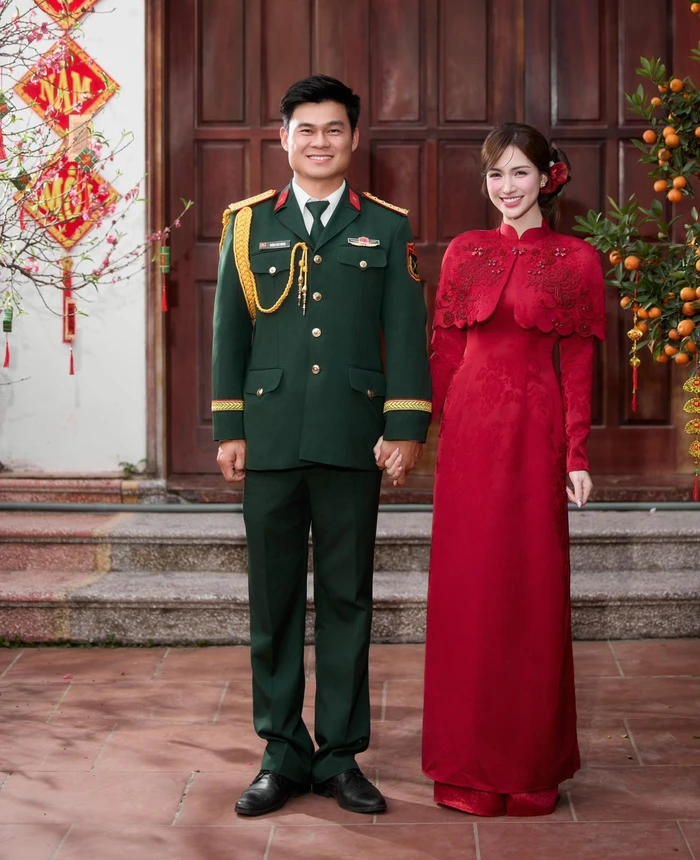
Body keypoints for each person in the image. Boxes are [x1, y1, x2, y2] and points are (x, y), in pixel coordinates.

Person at [212, 74, 432, 818]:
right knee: (272, 603)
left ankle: (338, 757)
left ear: (354, 138)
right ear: (284, 139)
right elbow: (229, 332)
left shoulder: (387, 227)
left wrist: (405, 427)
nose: (319, 141)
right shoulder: (247, 225)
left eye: (334, 129)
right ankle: (281, 753)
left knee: (346, 599)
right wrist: (230, 427)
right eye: (305, 129)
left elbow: (405, 333)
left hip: (352, 437)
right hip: (270, 437)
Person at [415, 122, 606, 818]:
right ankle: (464, 767)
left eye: (520, 172)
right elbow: (443, 352)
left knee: (530, 592)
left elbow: (578, 362)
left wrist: (576, 453)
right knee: (466, 592)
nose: (507, 186)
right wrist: (413, 433)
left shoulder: (577, 259)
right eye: (496, 173)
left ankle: (529, 768)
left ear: (548, 178)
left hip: (534, 432)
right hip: (469, 437)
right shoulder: (464, 252)